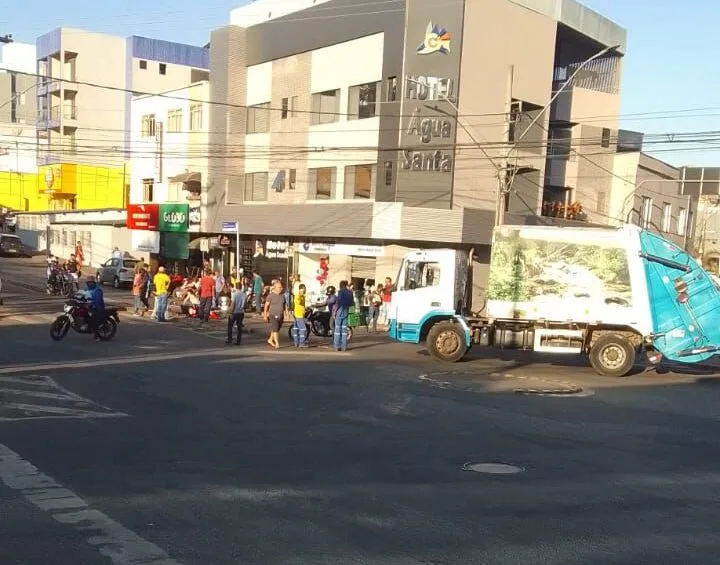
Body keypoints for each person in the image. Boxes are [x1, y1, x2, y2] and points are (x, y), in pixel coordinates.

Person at [263, 280, 286, 349]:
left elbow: (285, 305)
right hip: (272, 314)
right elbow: (266, 306)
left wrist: (286, 313)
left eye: (281, 287)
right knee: (275, 329)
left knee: (276, 328)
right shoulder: (271, 296)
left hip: (280, 315)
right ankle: (277, 343)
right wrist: (265, 315)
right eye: (279, 287)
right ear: (275, 288)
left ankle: (270, 339)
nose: (281, 289)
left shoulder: (282, 295)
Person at [333, 280, 354, 352]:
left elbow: (338, 303)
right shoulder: (350, 293)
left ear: (341, 285)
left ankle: (336, 346)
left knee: (337, 330)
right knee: (344, 330)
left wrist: (334, 312)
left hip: (339, 312)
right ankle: (344, 347)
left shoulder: (340, 292)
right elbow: (352, 303)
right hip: (346, 312)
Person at [84, 275, 105, 342]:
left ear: (94, 283)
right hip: (89, 307)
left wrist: (91, 304)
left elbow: (97, 300)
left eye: (91, 282)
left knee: (93, 322)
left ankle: (97, 336)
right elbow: (81, 295)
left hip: (97, 308)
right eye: (88, 282)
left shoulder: (97, 290)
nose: (89, 284)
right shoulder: (86, 289)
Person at [227, 281, 247, 345]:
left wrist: (230, 311)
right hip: (241, 312)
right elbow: (244, 304)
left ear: (236, 287)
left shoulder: (234, 294)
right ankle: (238, 341)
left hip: (234, 312)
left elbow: (233, 304)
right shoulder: (244, 294)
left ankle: (230, 339)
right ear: (241, 287)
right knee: (239, 327)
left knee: (230, 326)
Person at [291, 283, 308, 348]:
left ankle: (296, 342)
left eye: (304, 290)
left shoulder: (302, 296)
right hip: (299, 314)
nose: (303, 291)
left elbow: (301, 305)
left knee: (296, 328)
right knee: (303, 329)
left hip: (298, 313)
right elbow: (297, 302)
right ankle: (301, 343)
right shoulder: (298, 296)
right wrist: (299, 295)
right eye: (302, 290)